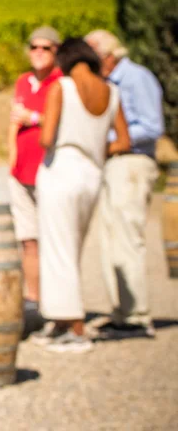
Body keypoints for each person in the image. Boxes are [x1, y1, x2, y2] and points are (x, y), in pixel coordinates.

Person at [33, 38, 130, 354]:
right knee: (71, 248)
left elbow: (46, 137)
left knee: (57, 249)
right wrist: (94, 146)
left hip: (61, 169)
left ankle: (74, 325)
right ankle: (61, 323)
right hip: (92, 174)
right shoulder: (110, 91)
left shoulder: (62, 87)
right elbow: (123, 141)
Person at [85, 30, 165, 337]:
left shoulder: (135, 78)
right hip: (113, 163)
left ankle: (137, 315)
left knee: (128, 237)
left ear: (107, 55)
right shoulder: (109, 83)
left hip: (131, 162)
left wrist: (109, 138)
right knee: (110, 238)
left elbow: (152, 126)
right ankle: (121, 311)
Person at [7, 26, 63, 328]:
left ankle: (58, 306)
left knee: (53, 240)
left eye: (46, 48)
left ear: (56, 52)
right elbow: (14, 120)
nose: (38, 53)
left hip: (49, 169)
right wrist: (10, 157)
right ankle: (35, 303)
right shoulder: (22, 81)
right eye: (34, 47)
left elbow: (63, 122)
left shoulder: (62, 83)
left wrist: (36, 119)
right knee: (28, 240)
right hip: (21, 172)